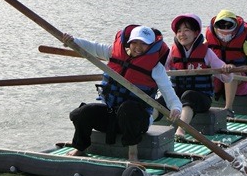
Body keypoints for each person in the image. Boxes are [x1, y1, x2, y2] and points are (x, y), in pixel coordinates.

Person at [62, 25, 182, 161]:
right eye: (135, 42)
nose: (138, 47)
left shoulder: (156, 68)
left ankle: (133, 155)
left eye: (144, 44)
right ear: (129, 42)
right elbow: (93, 47)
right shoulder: (114, 52)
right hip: (112, 113)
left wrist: (176, 108)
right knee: (83, 112)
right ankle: (80, 147)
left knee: (128, 109)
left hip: (137, 120)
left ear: (151, 46)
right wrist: (72, 41)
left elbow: (168, 92)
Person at [153, 13, 234, 139]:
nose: (182, 34)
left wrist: (227, 70)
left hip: (201, 98)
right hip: (178, 97)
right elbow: (160, 71)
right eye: (179, 31)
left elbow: (227, 78)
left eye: (186, 30)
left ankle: (180, 131)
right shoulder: (172, 52)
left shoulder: (207, 52)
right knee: (160, 100)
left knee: (188, 96)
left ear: (196, 33)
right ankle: (145, 124)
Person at [205, 9, 247, 116]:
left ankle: (228, 109)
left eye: (229, 26)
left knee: (231, 70)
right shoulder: (208, 43)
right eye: (222, 25)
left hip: (240, 82)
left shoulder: (243, 44)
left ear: (236, 27)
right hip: (218, 83)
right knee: (206, 73)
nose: (225, 29)